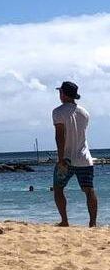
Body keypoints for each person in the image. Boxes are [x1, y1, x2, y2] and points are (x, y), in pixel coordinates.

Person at [52, 81, 98, 228]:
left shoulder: (58, 112)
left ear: (63, 94)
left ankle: (64, 220)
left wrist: (60, 159)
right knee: (89, 190)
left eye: (60, 92)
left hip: (67, 158)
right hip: (85, 157)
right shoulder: (84, 113)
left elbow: (60, 137)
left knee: (58, 188)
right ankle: (93, 223)